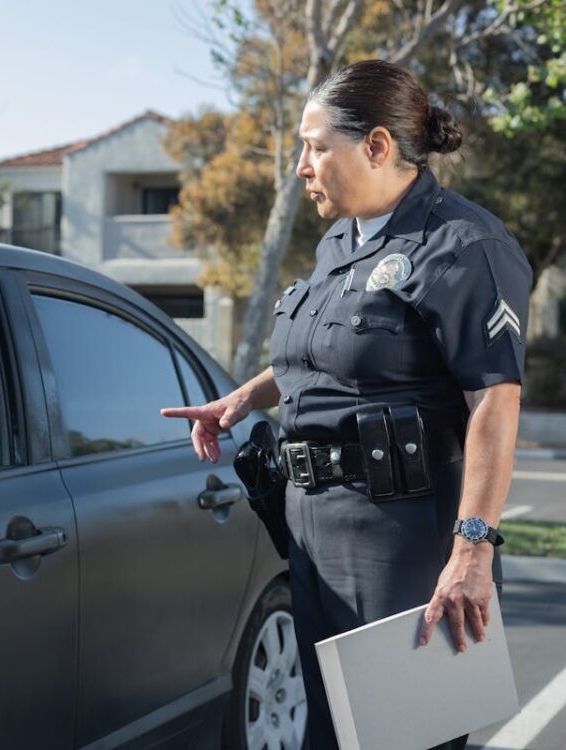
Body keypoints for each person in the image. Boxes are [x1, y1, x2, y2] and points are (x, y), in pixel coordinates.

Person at [162, 60, 530, 750]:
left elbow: (494, 401)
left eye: (315, 146)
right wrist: (241, 399)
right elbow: (321, 356)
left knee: (404, 737)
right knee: (330, 736)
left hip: (403, 542)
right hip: (312, 531)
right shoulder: (341, 242)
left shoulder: (464, 245)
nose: (302, 167)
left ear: (378, 146)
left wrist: (472, 550)